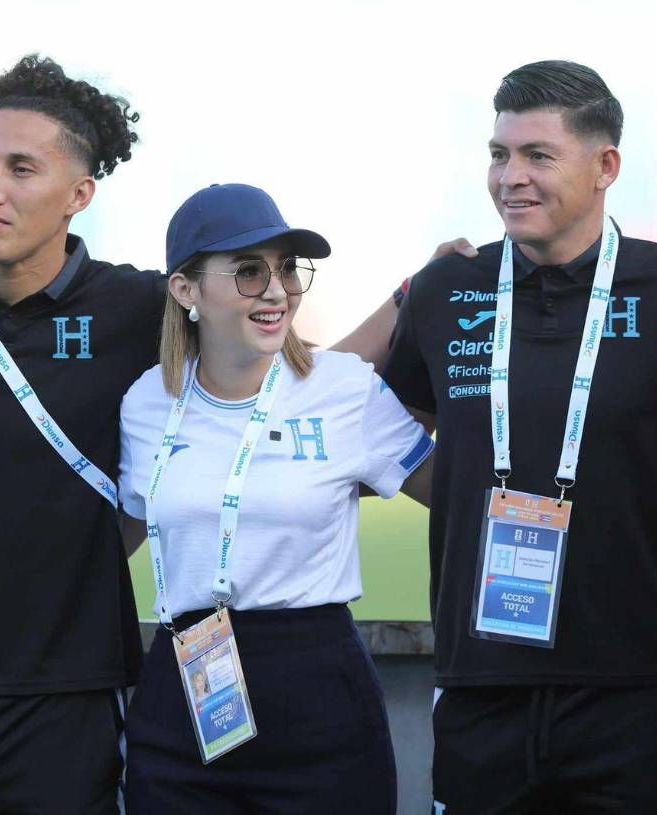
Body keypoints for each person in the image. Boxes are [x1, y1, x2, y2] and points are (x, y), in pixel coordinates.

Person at [0, 57, 425, 814]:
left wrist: (414, 293)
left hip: (75, 697)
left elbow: (283, 370)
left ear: (79, 195)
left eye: (23, 169)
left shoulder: (138, 310)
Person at [382, 60, 657, 813]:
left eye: (538, 155)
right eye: (498, 154)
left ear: (606, 165)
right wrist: (464, 491)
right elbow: (392, 415)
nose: (511, 176)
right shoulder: (448, 289)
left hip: (639, 686)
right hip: (481, 686)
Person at [117, 182, 434, 814]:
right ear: (185, 291)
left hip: (319, 690)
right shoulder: (145, 401)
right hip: (187, 685)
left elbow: (457, 495)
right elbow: (107, 536)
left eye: (287, 268)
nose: (276, 288)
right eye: (247, 271)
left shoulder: (348, 389)